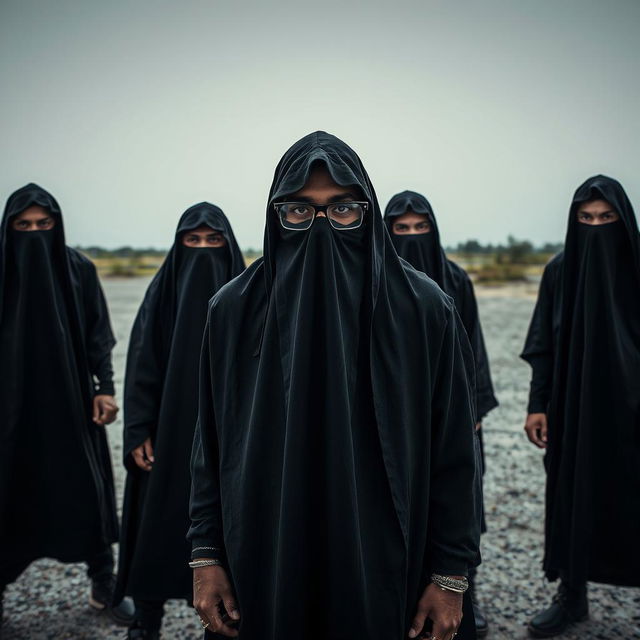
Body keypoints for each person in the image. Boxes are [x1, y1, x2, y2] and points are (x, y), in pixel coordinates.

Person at [188, 132, 482, 640]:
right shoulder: (233, 309)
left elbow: (455, 451)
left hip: (389, 559)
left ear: (367, 212)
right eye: (300, 212)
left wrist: (451, 574)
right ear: (275, 216)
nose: (322, 226)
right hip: (265, 547)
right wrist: (206, 554)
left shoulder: (423, 309)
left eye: (343, 209)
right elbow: (211, 447)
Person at [0, 184, 133, 626]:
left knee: (86, 488)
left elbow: (100, 336)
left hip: (71, 401)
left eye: (43, 224)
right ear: (9, 226)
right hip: (9, 409)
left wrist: (105, 387)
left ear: (57, 224)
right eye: (23, 226)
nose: (34, 233)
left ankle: (104, 584)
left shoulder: (79, 268)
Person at [114, 203, 245, 639]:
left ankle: (228, 618)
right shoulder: (162, 292)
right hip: (168, 436)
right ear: (179, 244)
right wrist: (137, 430)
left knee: (233, 530)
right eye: (193, 241)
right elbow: (141, 364)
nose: (204, 250)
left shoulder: (251, 294)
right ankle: (146, 618)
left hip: (233, 437)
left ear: (229, 246)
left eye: (213, 241)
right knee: (158, 523)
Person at [521, 175, 640, 638]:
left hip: (632, 407)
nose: (596, 226)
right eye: (586, 218)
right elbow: (543, 344)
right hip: (574, 406)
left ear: (623, 218)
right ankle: (572, 595)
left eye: (606, 218)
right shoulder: (558, 271)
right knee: (572, 494)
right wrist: (537, 404)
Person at [384, 191, 498, 636]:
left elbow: (475, 349)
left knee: (459, 502)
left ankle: (465, 591)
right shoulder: (375, 282)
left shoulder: (454, 280)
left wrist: (472, 408)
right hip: (401, 419)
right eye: (401, 229)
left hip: (456, 415)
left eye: (420, 228)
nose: (412, 236)